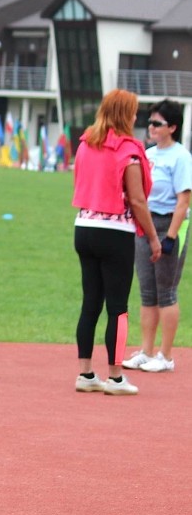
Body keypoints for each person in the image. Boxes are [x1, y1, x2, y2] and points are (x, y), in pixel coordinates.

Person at [72, 89, 161, 397]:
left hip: (83, 226)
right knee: (118, 308)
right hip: (115, 231)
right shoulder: (129, 151)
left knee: (90, 302)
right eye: (134, 112)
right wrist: (152, 237)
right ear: (125, 114)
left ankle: (85, 371)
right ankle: (116, 376)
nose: (137, 117)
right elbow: (136, 199)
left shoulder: (86, 144)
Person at [122, 99, 192, 373]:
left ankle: (166, 355)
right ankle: (146, 350)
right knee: (147, 291)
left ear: (172, 127)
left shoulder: (181, 157)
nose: (150, 127)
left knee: (166, 291)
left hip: (169, 225)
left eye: (157, 123)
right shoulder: (147, 154)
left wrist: (171, 237)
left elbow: (183, 201)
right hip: (146, 224)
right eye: (149, 122)